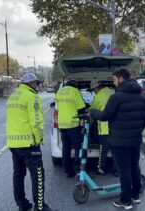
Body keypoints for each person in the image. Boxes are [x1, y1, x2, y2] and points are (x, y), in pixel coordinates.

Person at [90, 67, 145, 210]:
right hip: (135, 139)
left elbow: (105, 116)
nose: (114, 82)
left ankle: (125, 201)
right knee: (134, 167)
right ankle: (135, 196)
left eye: (114, 79)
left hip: (119, 140)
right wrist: (137, 130)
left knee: (124, 170)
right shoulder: (142, 97)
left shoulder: (116, 97)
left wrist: (93, 112)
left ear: (121, 78)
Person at [6, 72, 56, 211]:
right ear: (31, 83)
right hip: (29, 144)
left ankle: (22, 204)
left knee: (18, 174)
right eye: (37, 83)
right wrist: (39, 139)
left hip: (14, 143)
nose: (38, 85)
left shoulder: (13, 96)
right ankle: (40, 207)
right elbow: (36, 121)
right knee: (38, 176)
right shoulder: (32, 97)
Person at [55, 79, 86, 178]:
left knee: (66, 148)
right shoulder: (75, 91)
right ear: (75, 85)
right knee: (78, 147)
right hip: (73, 123)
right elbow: (81, 108)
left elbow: (57, 108)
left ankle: (68, 171)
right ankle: (78, 169)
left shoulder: (60, 92)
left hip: (62, 124)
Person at [89, 80, 118, 176]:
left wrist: (87, 111)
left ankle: (101, 169)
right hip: (115, 128)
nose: (94, 92)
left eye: (93, 90)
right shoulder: (112, 91)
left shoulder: (99, 96)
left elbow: (92, 110)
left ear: (97, 88)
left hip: (105, 129)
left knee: (103, 150)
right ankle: (116, 171)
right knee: (115, 151)